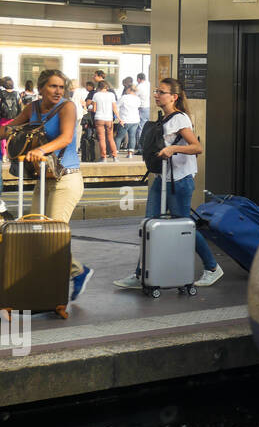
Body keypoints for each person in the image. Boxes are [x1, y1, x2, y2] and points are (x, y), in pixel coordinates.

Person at [0, 69, 93, 302]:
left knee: (51, 237)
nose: (58, 91)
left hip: (66, 179)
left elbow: (65, 138)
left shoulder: (67, 107)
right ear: (41, 88)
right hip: (43, 178)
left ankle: (73, 274)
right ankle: (68, 274)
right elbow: (9, 129)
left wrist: (41, 149)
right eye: (53, 86)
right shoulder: (32, 108)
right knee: (35, 233)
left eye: (61, 87)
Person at [114, 78, 223, 289]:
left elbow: (196, 147)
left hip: (180, 181)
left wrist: (173, 149)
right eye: (156, 91)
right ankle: (140, 275)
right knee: (149, 225)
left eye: (161, 92)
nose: (157, 95)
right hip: (162, 178)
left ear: (174, 97)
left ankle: (212, 268)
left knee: (185, 227)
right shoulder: (163, 119)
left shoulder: (180, 119)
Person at [91, 80, 119, 162]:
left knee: (102, 139)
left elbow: (94, 109)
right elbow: (114, 108)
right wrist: (119, 118)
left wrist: (89, 108)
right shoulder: (111, 95)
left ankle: (103, 157)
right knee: (110, 138)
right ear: (107, 87)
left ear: (99, 87)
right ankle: (115, 156)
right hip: (109, 119)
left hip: (99, 118)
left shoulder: (96, 95)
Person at [0, 77, 22, 158]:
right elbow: (20, 104)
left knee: (3, 135)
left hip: (4, 117)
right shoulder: (17, 93)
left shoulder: (1, 92)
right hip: (15, 117)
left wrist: (0, 110)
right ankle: (13, 153)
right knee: (14, 135)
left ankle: (4, 154)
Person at [118, 79, 142, 155]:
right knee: (132, 136)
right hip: (135, 120)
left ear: (128, 89)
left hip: (125, 119)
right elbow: (139, 106)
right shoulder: (137, 98)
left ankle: (115, 152)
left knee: (119, 137)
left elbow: (116, 106)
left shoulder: (124, 97)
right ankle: (130, 153)